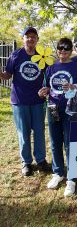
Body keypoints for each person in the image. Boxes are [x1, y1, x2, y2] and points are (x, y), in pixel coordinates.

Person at [38, 37, 77, 197]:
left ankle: (72, 178)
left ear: (71, 50)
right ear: (57, 50)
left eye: (66, 48)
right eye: (60, 48)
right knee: (54, 142)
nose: (63, 51)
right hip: (53, 108)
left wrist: (74, 86)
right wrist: (42, 92)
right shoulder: (50, 68)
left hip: (70, 109)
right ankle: (58, 173)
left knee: (70, 144)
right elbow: (45, 87)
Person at [0, 27, 49, 177]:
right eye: (28, 36)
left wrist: (47, 88)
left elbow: (50, 76)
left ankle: (41, 160)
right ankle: (26, 162)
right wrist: (0, 74)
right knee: (23, 133)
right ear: (23, 39)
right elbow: (7, 75)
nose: (31, 39)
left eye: (33, 36)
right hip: (19, 101)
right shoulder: (15, 55)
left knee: (39, 132)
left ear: (37, 40)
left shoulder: (43, 56)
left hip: (38, 101)